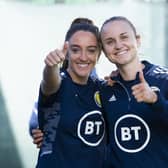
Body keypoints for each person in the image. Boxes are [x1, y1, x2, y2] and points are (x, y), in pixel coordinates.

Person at [36, 20, 106, 168]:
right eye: (75, 50)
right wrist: (51, 66)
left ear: (99, 54)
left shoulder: (102, 88)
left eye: (91, 50)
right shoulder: (59, 82)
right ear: (66, 52)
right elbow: (49, 81)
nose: (83, 57)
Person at [100, 16, 168, 167]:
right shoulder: (105, 89)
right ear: (104, 51)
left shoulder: (164, 79)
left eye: (124, 37)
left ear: (137, 40)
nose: (118, 45)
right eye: (110, 42)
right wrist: (48, 130)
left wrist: (156, 101)